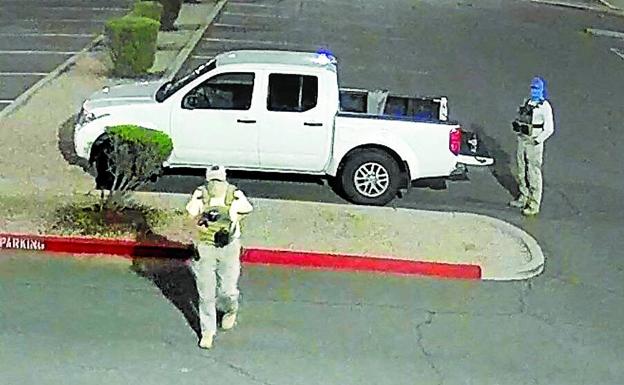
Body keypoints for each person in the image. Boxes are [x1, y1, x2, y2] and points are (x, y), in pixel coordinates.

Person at [185, 165, 253, 349]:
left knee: (227, 290)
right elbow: (191, 213)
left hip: (229, 246)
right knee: (206, 293)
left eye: (219, 180)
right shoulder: (201, 195)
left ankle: (230, 310)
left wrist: (235, 217)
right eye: (213, 180)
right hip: (206, 246)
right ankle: (207, 331)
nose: (216, 184)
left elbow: (247, 209)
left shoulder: (234, 195)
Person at [509, 76, 555, 216]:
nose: (533, 91)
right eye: (532, 88)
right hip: (523, 137)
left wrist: (538, 139)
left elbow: (549, 128)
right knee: (521, 168)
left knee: (533, 172)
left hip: (534, 141)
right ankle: (524, 196)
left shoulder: (544, 107)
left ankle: (534, 203)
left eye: (536, 88)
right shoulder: (528, 102)